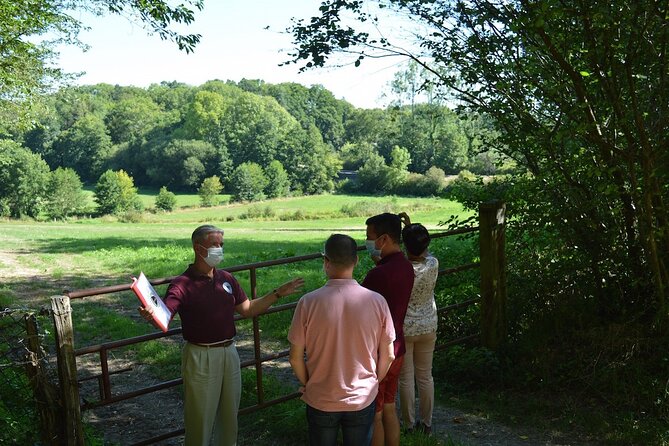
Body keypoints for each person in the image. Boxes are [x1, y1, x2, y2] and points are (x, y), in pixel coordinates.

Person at [139, 224, 304, 446]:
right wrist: (152, 314)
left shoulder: (226, 278)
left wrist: (277, 294)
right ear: (198, 248)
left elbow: (247, 309)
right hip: (200, 356)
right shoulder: (182, 284)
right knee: (200, 420)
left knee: (229, 418)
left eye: (221, 244)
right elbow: (165, 314)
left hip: (229, 353)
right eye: (214, 245)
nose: (219, 249)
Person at [288, 234, 396, 446]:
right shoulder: (377, 301)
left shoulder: (308, 302)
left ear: (325, 262)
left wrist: (308, 383)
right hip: (362, 398)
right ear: (356, 260)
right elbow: (389, 354)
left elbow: (294, 357)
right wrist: (374, 381)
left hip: (321, 397)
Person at [361, 213, 415, 446]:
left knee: (376, 413)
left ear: (383, 239)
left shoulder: (378, 275)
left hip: (378, 353)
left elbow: (359, 310)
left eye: (369, 237)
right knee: (390, 407)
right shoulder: (405, 265)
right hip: (398, 347)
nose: (367, 242)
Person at [397, 212, 439, 435]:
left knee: (406, 378)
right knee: (425, 376)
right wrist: (411, 228)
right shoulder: (433, 263)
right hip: (428, 325)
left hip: (406, 328)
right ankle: (428, 424)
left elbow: (408, 254)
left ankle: (408, 425)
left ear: (405, 245)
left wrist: (406, 231)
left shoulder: (402, 268)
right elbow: (419, 250)